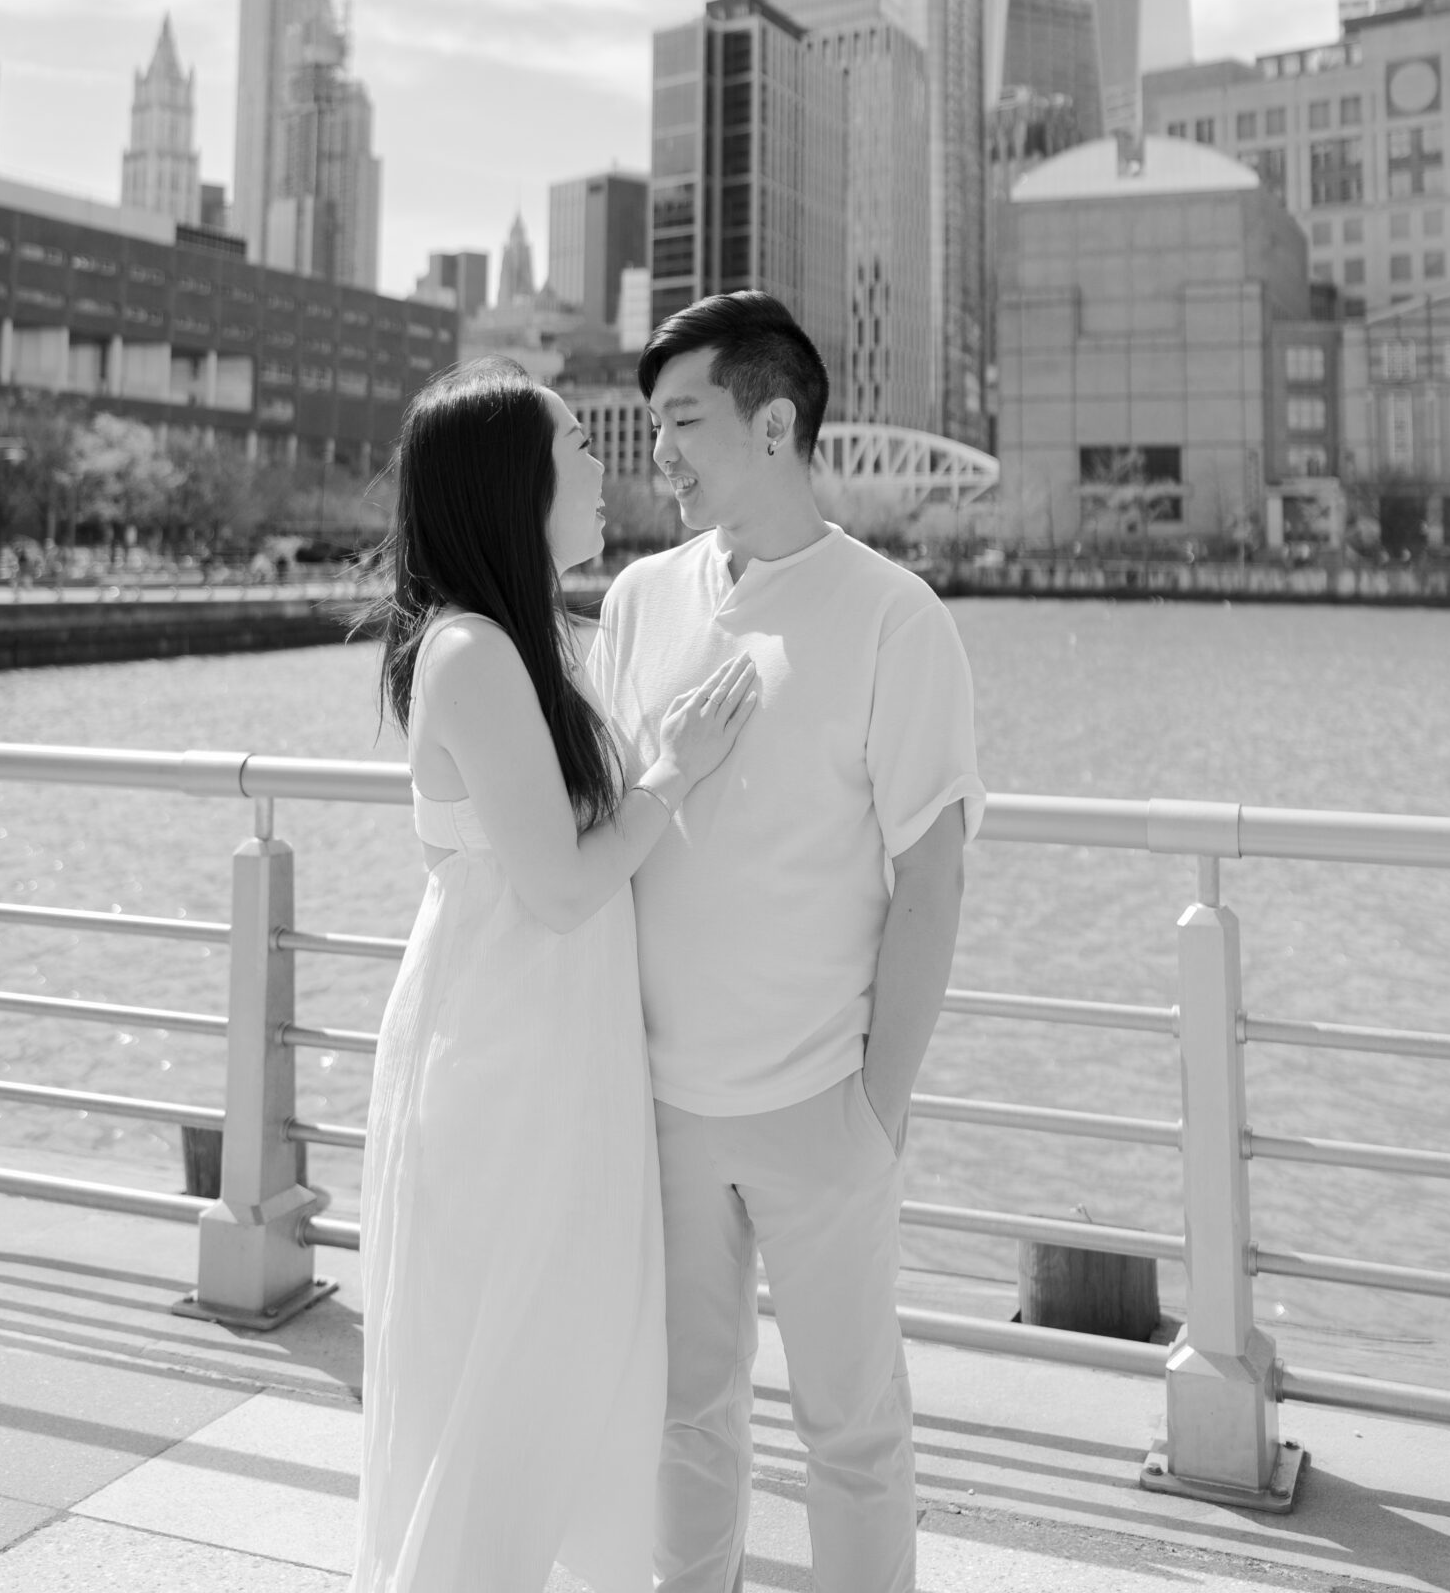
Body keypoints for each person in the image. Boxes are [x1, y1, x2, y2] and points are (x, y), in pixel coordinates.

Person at [590, 292, 983, 1593]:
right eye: (651, 427)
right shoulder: (641, 600)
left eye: (685, 420)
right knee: (684, 1418)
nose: (663, 452)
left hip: (821, 1104)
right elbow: (600, 835)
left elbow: (928, 878)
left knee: (851, 1433)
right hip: (663, 1106)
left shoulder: (891, 617)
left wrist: (875, 1107)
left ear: (773, 424)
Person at [349, 358, 758, 1592]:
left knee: (551, 1370)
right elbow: (566, 882)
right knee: (508, 1383)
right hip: (506, 1067)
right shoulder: (471, 652)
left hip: (541, 1051)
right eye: (578, 444)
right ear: (510, 484)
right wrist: (675, 765)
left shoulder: (520, 645)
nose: (602, 464)